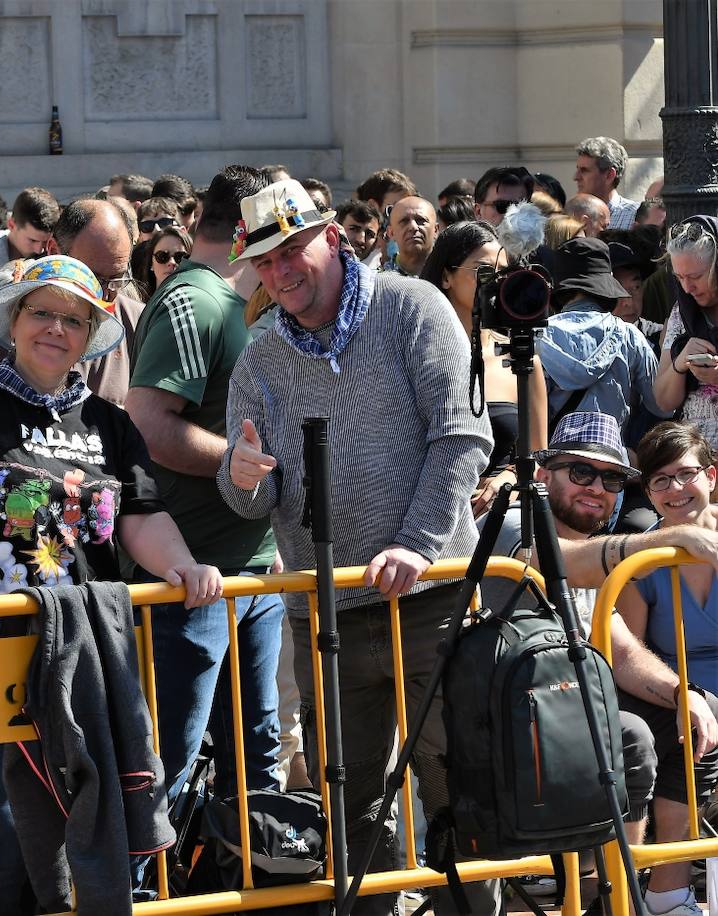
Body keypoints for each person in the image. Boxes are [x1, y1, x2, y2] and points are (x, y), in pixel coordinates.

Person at [0, 254, 223, 915]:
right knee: (1, 828)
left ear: (91, 334)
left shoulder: (111, 423)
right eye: (42, 313)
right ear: (14, 320)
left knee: (80, 818)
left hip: (83, 651)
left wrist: (184, 566)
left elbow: (140, 516)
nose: (57, 329)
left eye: (74, 320)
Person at [219, 179, 496, 915]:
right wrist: (242, 477)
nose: (280, 273)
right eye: (265, 262)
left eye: (292, 250)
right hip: (327, 616)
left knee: (457, 793)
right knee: (354, 814)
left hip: (429, 600)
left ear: (333, 238)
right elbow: (250, 494)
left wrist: (416, 543)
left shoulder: (414, 308)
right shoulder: (260, 356)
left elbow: (464, 437)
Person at [481, 412, 718, 902]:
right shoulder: (513, 523)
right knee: (628, 736)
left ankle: (661, 896)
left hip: (558, 708)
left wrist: (682, 692)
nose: (596, 487)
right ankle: (616, 899)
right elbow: (555, 563)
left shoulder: (591, 544)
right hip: (495, 716)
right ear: (544, 475)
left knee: (686, 718)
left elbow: (620, 646)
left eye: (610, 477)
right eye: (581, 472)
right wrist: (668, 537)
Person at [126, 166, 287, 809]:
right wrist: (247, 465)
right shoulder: (195, 300)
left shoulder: (247, 301)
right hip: (189, 580)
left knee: (256, 761)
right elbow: (148, 425)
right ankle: (140, 900)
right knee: (169, 764)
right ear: (255, 226)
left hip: (253, 573)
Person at [613, 422, 718, 916]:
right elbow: (630, 653)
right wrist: (684, 695)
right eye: (660, 481)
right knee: (691, 727)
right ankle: (667, 895)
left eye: (686, 474)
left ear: (712, 475)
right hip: (675, 694)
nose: (675, 489)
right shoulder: (641, 558)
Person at [419, 221, 548, 515]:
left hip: (503, 516)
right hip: (431, 515)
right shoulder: (416, 354)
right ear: (446, 276)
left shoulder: (523, 357)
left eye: (504, 273)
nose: (496, 282)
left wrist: (512, 477)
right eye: (483, 271)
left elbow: (539, 456)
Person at [536, 237, 663, 430]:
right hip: (611, 454)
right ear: (607, 284)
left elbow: (527, 412)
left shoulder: (538, 337)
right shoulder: (630, 335)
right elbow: (661, 406)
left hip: (554, 455)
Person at [47, 198, 143, 407]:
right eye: (94, 279)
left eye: (117, 279)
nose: (106, 294)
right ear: (54, 251)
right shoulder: (13, 317)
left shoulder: (141, 323)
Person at [654, 217, 718, 443]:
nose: (687, 288)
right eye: (679, 278)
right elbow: (663, 401)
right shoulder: (680, 314)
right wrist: (680, 363)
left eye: (696, 277)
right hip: (694, 455)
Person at [0, 187, 60, 272]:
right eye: (33, 240)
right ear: (11, 225)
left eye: (45, 242)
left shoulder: (53, 257)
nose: (39, 250)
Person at [576, 136, 639, 230]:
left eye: (584, 170)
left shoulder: (634, 216)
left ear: (609, 175)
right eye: (578, 169)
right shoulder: (571, 216)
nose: (576, 177)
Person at [382, 196, 438, 276]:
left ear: (435, 230)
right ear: (391, 233)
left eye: (420, 220)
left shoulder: (452, 276)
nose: (413, 227)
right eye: (404, 221)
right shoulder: (376, 282)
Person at [139, 224, 191, 299]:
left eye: (180, 257)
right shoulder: (137, 307)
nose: (171, 262)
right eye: (162, 256)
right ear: (151, 262)